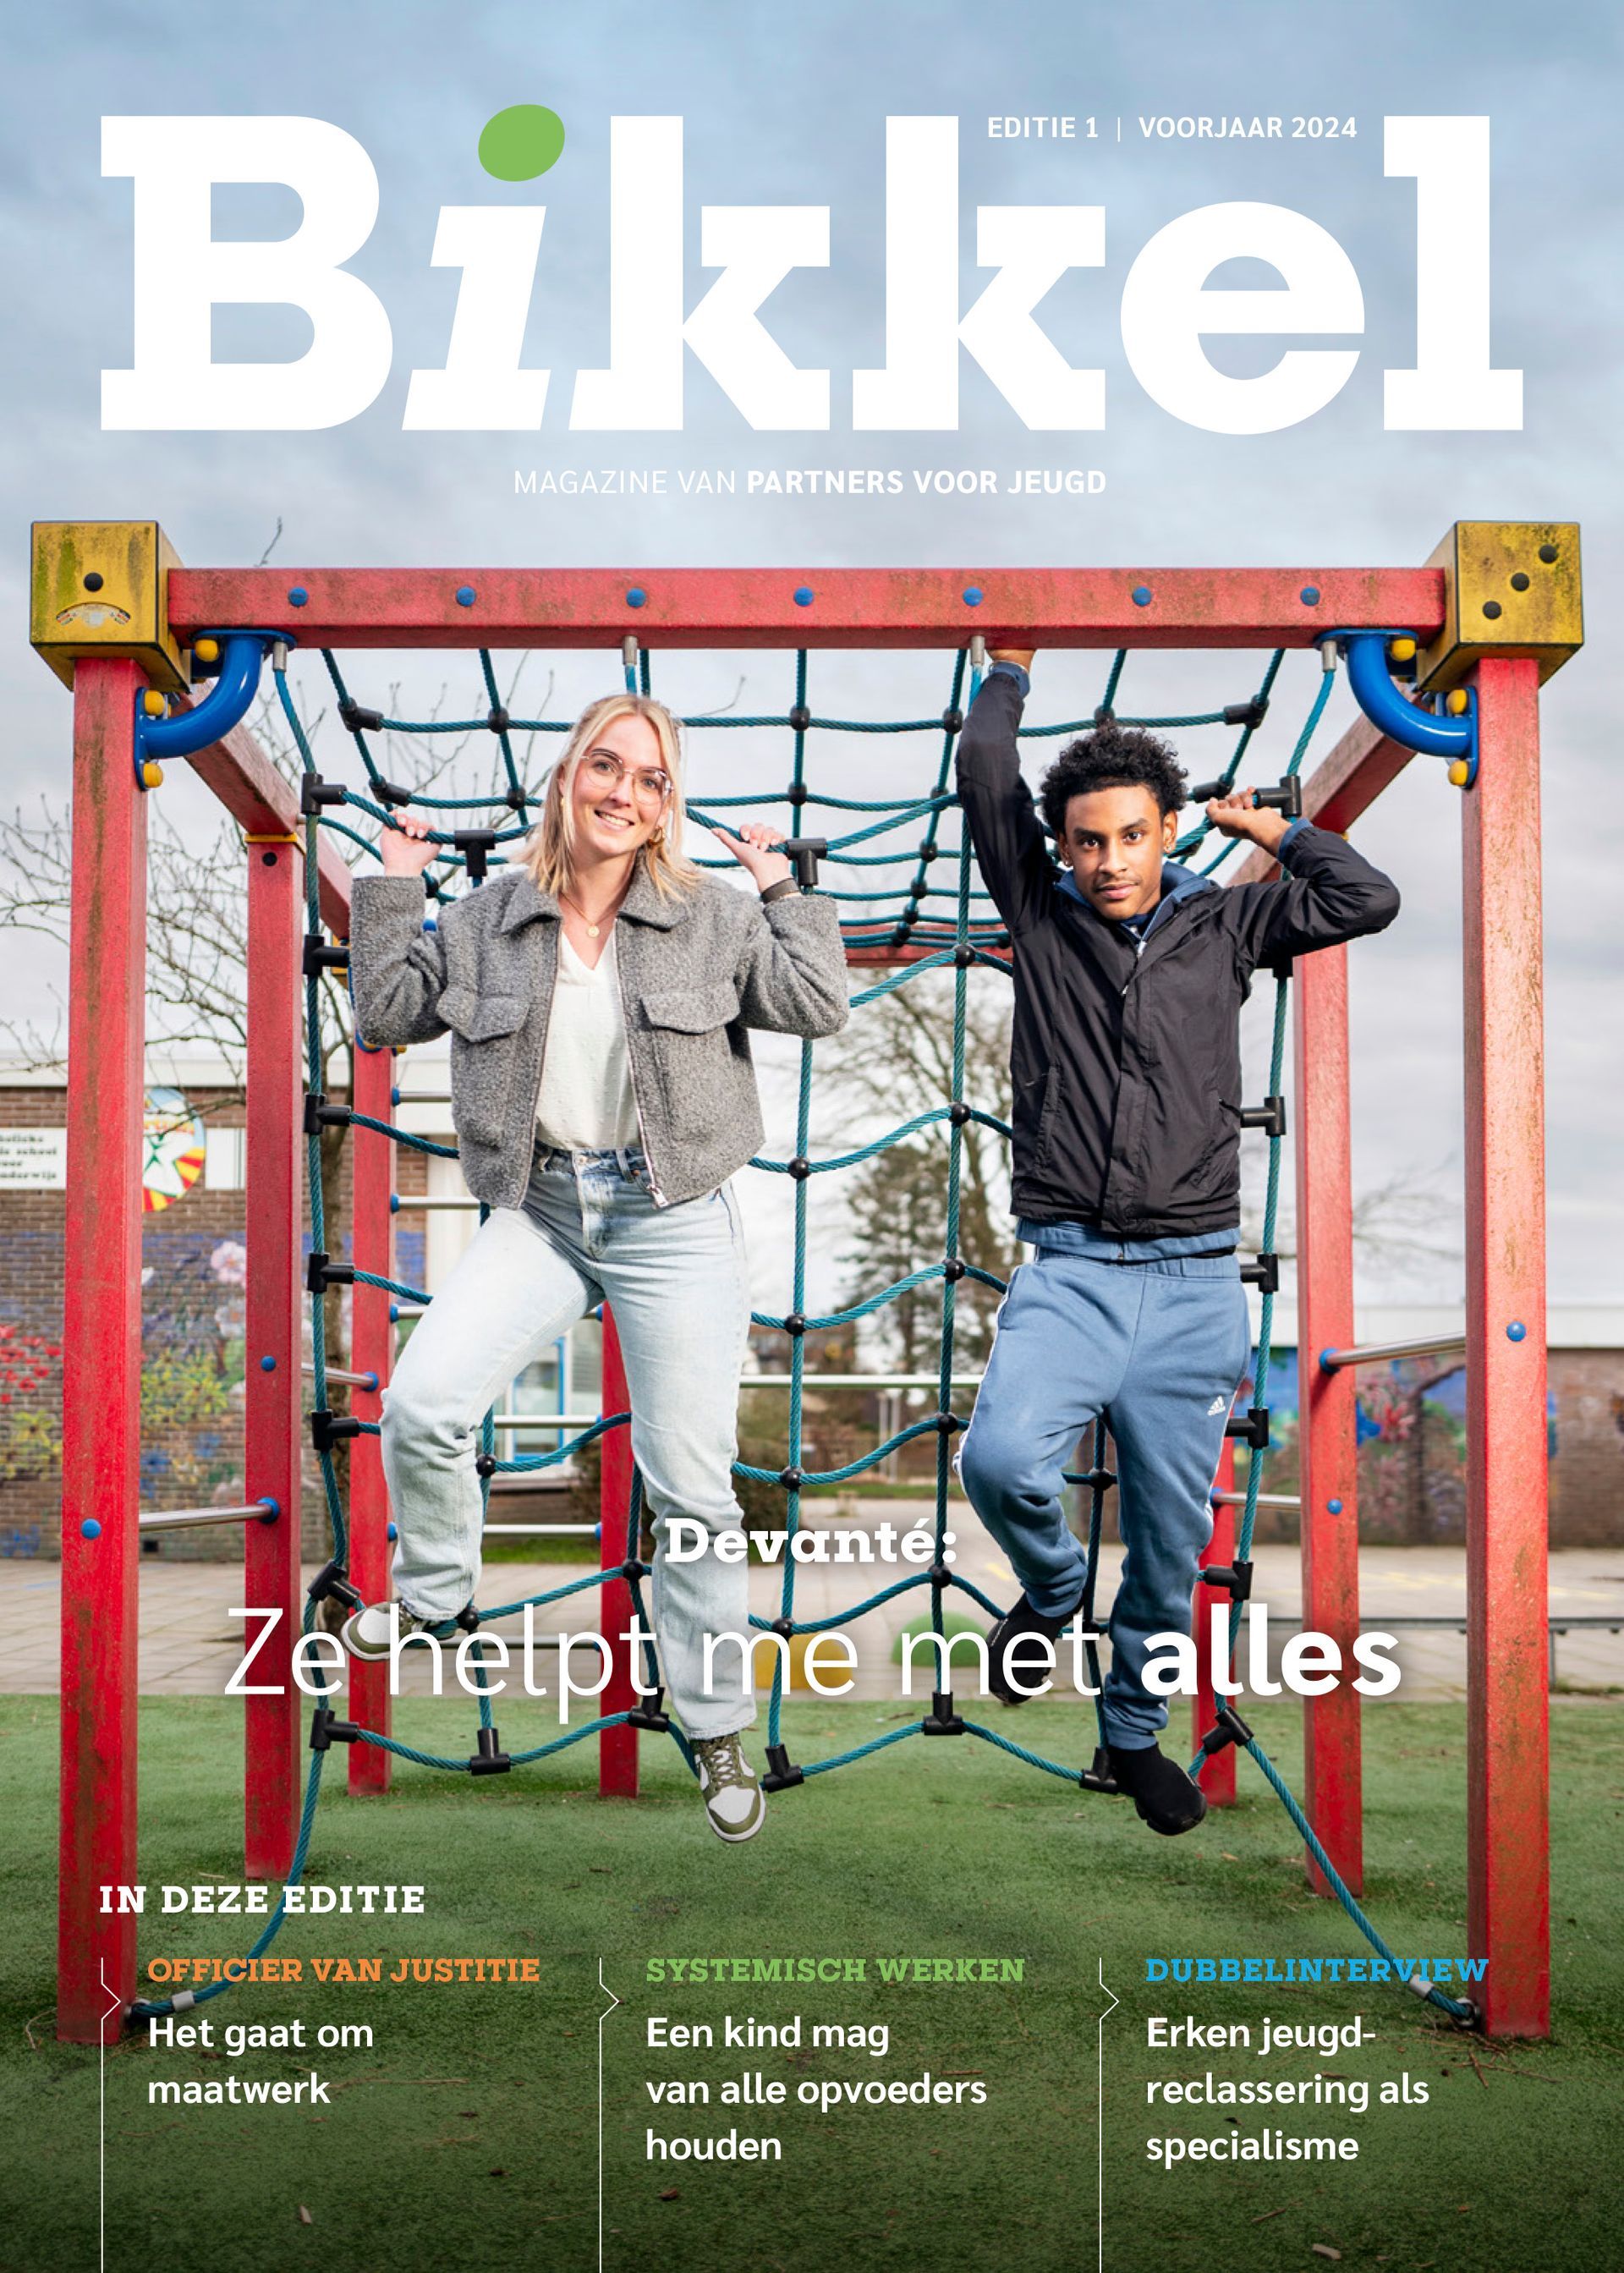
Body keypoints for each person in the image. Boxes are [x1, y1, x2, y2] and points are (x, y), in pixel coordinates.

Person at [334, 691, 849, 1842]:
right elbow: (380, 1013)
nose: (626, 792)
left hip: (675, 1215)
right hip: (546, 1207)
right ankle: (435, 1596)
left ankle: (714, 1728)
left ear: (668, 805)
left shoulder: (708, 914)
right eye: (608, 767)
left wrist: (781, 890)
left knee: (692, 1491)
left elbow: (819, 1003)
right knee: (420, 1403)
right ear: (572, 776)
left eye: (652, 779)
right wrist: (392, 883)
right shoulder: (483, 921)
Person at [953, 648, 1400, 1835]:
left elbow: (1368, 901)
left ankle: (1131, 1738)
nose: (1108, 862)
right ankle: (1049, 1592)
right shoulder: (1040, 920)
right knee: (997, 1464)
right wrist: (1007, 670)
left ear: (1164, 835)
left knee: (1169, 1548)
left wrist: (1280, 833)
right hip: (1071, 1278)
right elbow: (986, 767)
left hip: (1198, 1290)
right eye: (1088, 841)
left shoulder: (1228, 923)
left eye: (1131, 837)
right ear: (1063, 848)